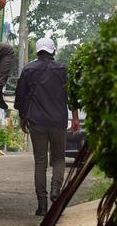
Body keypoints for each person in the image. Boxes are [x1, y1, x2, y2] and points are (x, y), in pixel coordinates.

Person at [15, 38, 80, 216]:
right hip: (58, 121)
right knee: (59, 159)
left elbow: (20, 97)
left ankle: (42, 205)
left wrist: (22, 117)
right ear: (53, 51)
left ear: (37, 51)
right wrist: (75, 118)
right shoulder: (63, 69)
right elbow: (72, 95)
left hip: (36, 122)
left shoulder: (28, 69)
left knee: (40, 162)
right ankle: (55, 190)